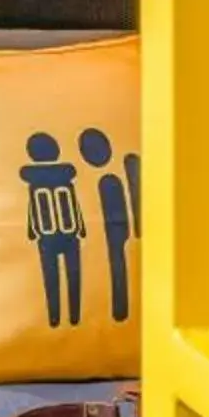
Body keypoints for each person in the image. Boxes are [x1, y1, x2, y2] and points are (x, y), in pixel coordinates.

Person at [21, 131, 86, 328]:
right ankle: (70, 316)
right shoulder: (65, 179)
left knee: (54, 279)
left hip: (47, 235)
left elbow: (32, 208)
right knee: (72, 276)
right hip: (68, 233)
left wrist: (32, 230)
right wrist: (81, 227)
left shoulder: (34, 183)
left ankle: (57, 318)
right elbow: (75, 207)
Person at [80, 127, 136, 324]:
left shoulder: (109, 179)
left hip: (119, 233)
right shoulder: (109, 179)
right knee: (120, 266)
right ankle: (121, 308)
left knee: (122, 266)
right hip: (116, 234)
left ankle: (121, 308)